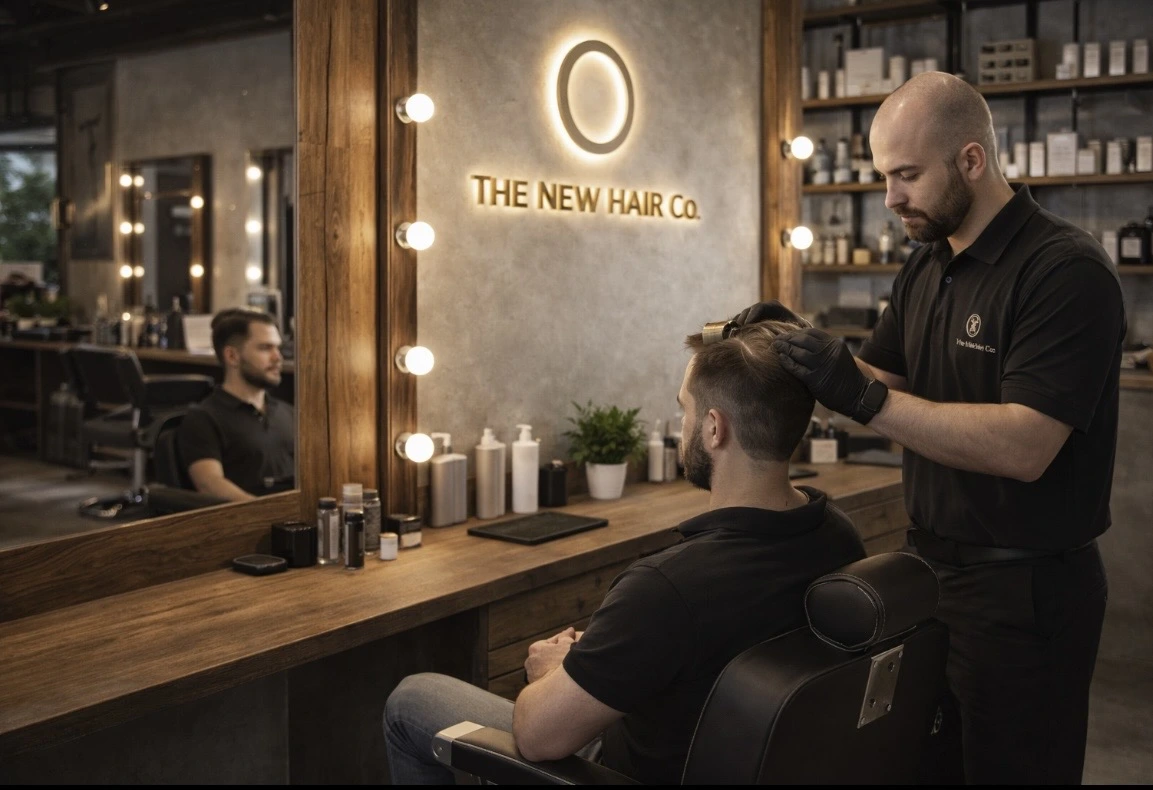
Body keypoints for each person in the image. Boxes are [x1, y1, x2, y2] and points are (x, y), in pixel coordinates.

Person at [762, 71, 1124, 785]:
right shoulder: (925, 264)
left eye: (906, 175)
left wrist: (863, 400)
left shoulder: (1063, 271)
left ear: (970, 160)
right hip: (930, 575)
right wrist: (791, 353)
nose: (889, 198)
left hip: (1025, 594)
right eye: (882, 177)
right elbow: (882, 382)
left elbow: (1025, 446)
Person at [382, 321, 866, 784]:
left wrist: (552, 672)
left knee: (411, 700)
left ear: (714, 428)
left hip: (622, 772)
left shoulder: (667, 589)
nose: (684, 424)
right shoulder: (838, 536)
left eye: (686, 410)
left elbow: (536, 739)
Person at [177, 308, 294, 501]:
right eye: (265, 348)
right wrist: (265, 513)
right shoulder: (204, 418)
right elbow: (209, 483)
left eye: (277, 347)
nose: (278, 357)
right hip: (250, 522)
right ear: (232, 356)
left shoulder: (288, 413)